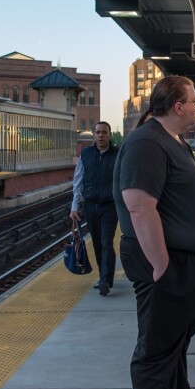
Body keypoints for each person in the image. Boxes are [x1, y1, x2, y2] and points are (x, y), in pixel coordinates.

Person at [114, 76, 195, 389]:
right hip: (167, 265)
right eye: (194, 101)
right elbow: (139, 205)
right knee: (156, 351)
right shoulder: (146, 143)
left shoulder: (173, 142)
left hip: (187, 263)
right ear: (177, 107)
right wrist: (162, 268)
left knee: (173, 343)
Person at [71, 121, 119, 295]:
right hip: (91, 206)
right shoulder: (86, 154)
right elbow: (78, 181)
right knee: (98, 244)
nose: (101, 135)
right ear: (94, 135)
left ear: (109, 134)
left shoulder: (117, 154)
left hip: (110, 206)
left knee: (107, 242)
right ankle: (103, 275)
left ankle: (106, 280)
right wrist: (74, 207)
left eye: (104, 132)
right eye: (98, 132)